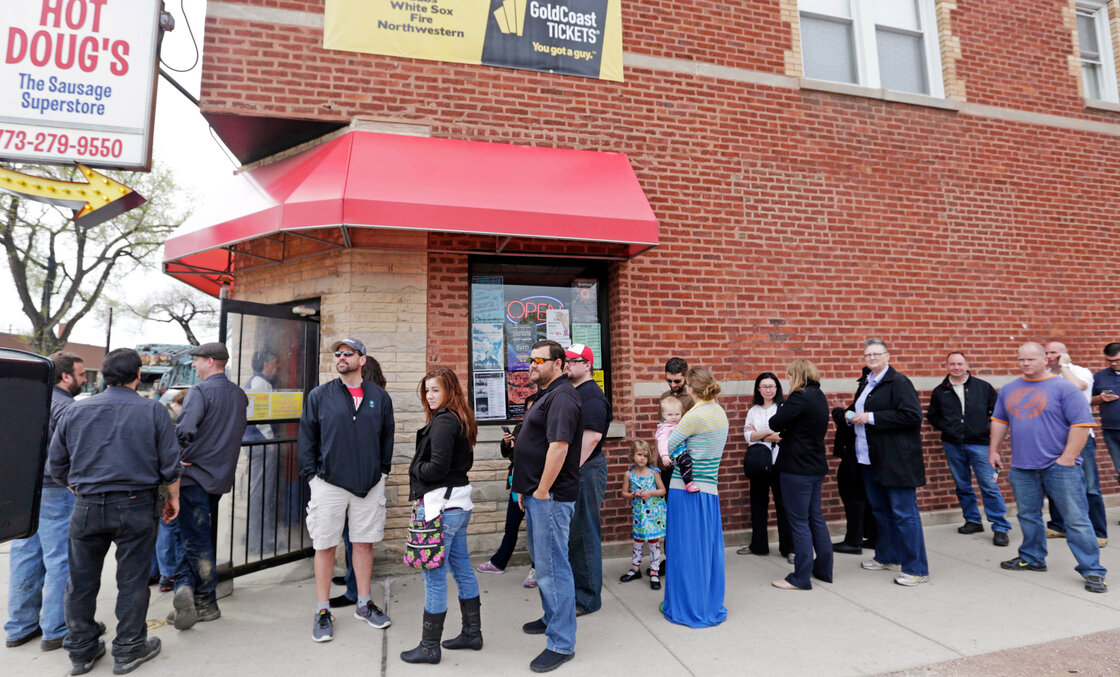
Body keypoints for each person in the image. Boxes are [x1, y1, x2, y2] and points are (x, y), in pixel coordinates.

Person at [47, 348, 180, 675]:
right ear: (138, 374)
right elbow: (170, 466)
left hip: (87, 505)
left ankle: (81, 650)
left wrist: (79, 489)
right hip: (136, 504)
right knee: (133, 580)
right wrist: (172, 498)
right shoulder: (153, 411)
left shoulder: (75, 412)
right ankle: (129, 647)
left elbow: (56, 466)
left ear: (104, 375)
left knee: (80, 582)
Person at [989, 342, 1106, 593]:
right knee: (1028, 516)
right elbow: (999, 421)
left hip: (1060, 467)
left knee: (1076, 520)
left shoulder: (1065, 388)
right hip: (1023, 467)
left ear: (1045, 360)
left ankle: (1093, 571)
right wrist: (993, 450)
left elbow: (1082, 424)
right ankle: (1032, 558)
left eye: (1031, 359)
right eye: (1021, 359)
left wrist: (1067, 457)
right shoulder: (1009, 389)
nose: (1025, 364)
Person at [299, 338, 395, 642]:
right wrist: (313, 477)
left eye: (348, 353)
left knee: (364, 543)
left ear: (362, 359)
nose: (341, 357)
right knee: (325, 545)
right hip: (328, 484)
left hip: (368, 485)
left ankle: (364, 604)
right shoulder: (320, 395)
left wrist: (382, 472)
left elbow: (386, 438)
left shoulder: (379, 397)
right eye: (338, 354)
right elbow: (307, 439)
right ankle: (322, 610)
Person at [401, 367, 481, 664]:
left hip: (440, 509)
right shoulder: (457, 418)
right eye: (426, 390)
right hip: (456, 507)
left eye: (435, 390)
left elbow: (437, 467)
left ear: (449, 391)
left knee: (434, 576)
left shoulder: (444, 422)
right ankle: (472, 632)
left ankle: (429, 647)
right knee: (461, 569)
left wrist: (414, 469)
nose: (429, 396)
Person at [6, 352, 85, 652]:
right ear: (65, 376)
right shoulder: (66, 408)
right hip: (55, 489)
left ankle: (20, 626)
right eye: (80, 374)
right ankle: (56, 628)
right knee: (60, 559)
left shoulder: (24, 401)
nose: (83, 379)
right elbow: (73, 454)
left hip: (25, 489)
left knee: (25, 555)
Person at [169, 342, 248, 630]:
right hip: (218, 478)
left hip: (193, 477)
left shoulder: (200, 392)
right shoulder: (239, 395)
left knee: (195, 540)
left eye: (197, 360)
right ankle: (185, 590)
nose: (193, 365)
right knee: (190, 535)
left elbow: (185, 431)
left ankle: (206, 601)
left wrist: (172, 459)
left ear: (212, 362)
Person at [514, 340, 583, 673]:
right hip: (537, 494)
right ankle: (551, 617)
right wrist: (525, 489)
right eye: (530, 360)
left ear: (558, 364)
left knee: (554, 567)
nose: (531, 365)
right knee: (544, 564)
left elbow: (559, 447)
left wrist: (541, 490)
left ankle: (561, 642)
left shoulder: (563, 397)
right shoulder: (546, 395)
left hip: (552, 497)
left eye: (538, 360)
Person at [849, 338, 929, 587]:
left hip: (896, 460)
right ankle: (888, 556)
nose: (871, 358)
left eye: (876, 354)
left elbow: (913, 416)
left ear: (887, 356)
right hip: (869, 458)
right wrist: (848, 414)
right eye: (867, 355)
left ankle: (916, 568)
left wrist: (871, 417)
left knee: (904, 513)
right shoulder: (867, 382)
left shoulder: (898, 382)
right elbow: (859, 409)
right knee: (881, 512)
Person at [663, 367, 729, 628]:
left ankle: (687, 606)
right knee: (706, 550)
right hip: (710, 489)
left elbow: (669, 446)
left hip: (686, 490)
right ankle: (706, 602)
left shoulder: (694, 415)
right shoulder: (720, 412)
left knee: (684, 550)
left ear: (691, 388)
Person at [925, 351, 1011, 546]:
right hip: (953, 444)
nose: (956, 367)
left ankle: (1000, 527)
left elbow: (999, 412)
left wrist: (986, 429)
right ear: (946, 366)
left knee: (989, 486)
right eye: (952, 364)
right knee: (963, 485)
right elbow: (933, 415)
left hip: (980, 445)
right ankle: (972, 521)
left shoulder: (982, 387)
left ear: (966, 365)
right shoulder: (940, 391)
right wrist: (948, 427)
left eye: (960, 364)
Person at [765, 359, 832, 590]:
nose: (788, 379)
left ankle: (801, 577)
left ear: (797, 376)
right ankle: (823, 568)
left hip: (796, 468)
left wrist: (785, 420)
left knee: (799, 522)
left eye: (789, 375)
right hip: (815, 465)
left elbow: (774, 422)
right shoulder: (819, 396)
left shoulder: (799, 396)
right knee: (815, 517)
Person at [331, 355, 389, 608]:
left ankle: (355, 590)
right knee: (351, 536)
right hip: (349, 477)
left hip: (362, 479)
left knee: (355, 538)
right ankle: (351, 578)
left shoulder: (374, 401)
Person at [563, 343, 612, 617]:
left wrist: (569, 468)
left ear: (587, 365)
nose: (567, 364)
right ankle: (578, 592)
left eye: (573, 360)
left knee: (583, 534)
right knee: (574, 534)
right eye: (566, 360)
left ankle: (588, 599)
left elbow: (591, 438)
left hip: (586, 470)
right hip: (580, 470)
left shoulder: (591, 396)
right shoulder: (576, 391)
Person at [1044, 341, 1108, 546]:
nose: (1049, 356)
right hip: (1053, 438)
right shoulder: (1044, 374)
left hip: (1080, 436)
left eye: (1054, 352)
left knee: (1089, 485)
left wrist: (1063, 367)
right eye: (1046, 352)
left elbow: (1078, 387)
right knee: (1053, 482)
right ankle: (1058, 526)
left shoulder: (1081, 372)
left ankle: (1099, 532)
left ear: (1065, 354)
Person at [477, 393, 538, 589]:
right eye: (528, 408)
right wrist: (507, 443)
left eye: (534, 407)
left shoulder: (544, 430)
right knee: (511, 524)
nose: (530, 411)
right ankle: (498, 562)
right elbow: (510, 455)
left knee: (537, 530)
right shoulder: (521, 426)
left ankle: (537, 568)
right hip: (516, 482)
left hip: (535, 485)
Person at [738, 372, 792, 561]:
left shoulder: (784, 408)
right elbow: (747, 437)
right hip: (759, 463)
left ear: (777, 388)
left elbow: (783, 435)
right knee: (758, 505)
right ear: (758, 390)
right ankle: (758, 545)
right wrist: (771, 432)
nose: (768, 390)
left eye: (771, 386)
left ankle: (788, 548)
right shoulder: (753, 411)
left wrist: (759, 434)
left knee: (783, 506)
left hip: (780, 462)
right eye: (764, 386)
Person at [151, 389, 187, 594]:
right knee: (168, 524)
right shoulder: (173, 422)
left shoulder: (160, 412)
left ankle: (154, 571)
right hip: (162, 482)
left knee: (156, 526)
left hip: (148, 480)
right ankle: (168, 574)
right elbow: (171, 458)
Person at [618, 440, 666, 589]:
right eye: (639, 454)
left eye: (645, 455)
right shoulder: (629, 474)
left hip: (653, 516)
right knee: (638, 542)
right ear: (633, 455)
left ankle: (654, 572)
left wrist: (650, 492)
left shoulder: (653, 473)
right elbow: (624, 493)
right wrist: (634, 494)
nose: (642, 458)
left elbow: (662, 490)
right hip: (639, 516)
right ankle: (635, 569)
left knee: (653, 543)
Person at [1091, 342, 1120, 490]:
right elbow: (1088, 400)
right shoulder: (1099, 377)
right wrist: (1101, 398)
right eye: (1109, 361)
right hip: (1111, 431)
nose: (1113, 363)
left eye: (1117, 360)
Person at [656, 396, 699, 492]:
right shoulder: (665, 428)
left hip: (684, 450)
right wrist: (664, 456)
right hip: (677, 453)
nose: (674, 417)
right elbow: (662, 442)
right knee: (686, 461)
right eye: (670, 414)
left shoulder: (681, 424)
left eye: (677, 414)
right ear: (663, 414)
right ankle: (688, 483)